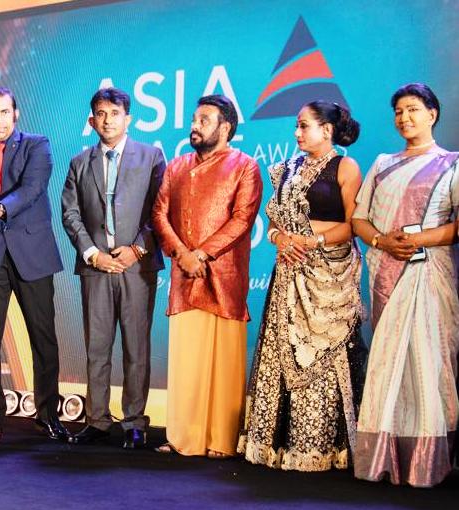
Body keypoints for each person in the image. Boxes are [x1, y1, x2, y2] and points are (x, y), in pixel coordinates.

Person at [238, 101, 366, 471]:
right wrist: (280, 238)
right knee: (280, 354)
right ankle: (275, 445)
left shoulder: (345, 167)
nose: (297, 133)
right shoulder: (288, 169)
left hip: (329, 280)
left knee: (323, 358)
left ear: (327, 130)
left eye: (304, 125)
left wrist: (313, 241)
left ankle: (323, 448)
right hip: (288, 275)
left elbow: (355, 225)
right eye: (296, 125)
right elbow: (274, 223)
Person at [351, 83, 458, 487]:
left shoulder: (451, 164)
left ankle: (427, 462)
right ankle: (383, 456)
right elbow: (360, 219)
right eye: (398, 111)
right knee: (388, 362)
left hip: (428, 274)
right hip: (387, 272)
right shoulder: (383, 164)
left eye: (412, 109)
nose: (404, 118)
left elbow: (456, 226)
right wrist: (383, 241)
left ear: (432, 114)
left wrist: (416, 240)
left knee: (428, 362)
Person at [151, 95, 262, 457]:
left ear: (225, 127)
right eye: (194, 120)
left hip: (224, 274)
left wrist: (201, 254)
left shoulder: (245, 166)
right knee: (187, 358)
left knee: (223, 361)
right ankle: (183, 437)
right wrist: (183, 255)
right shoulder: (177, 166)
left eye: (204, 120)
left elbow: (242, 219)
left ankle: (221, 440)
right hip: (184, 274)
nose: (194, 126)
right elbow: (159, 214)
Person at [0, 87, 69, 444]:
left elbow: (33, 188)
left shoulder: (38, 145)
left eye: (4, 112)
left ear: (15, 114)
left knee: (43, 338)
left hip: (32, 252)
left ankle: (48, 416)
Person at [61, 87, 165, 448]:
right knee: (97, 347)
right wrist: (93, 254)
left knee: (136, 348)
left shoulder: (151, 157)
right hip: (96, 268)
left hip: (137, 267)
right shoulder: (79, 162)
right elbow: (70, 213)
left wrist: (137, 249)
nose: (108, 120)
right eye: (101, 114)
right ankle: (97, 420)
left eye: (115, 113)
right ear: (92, 121)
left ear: (128, 119)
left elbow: (161, 210)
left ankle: (134, 422)